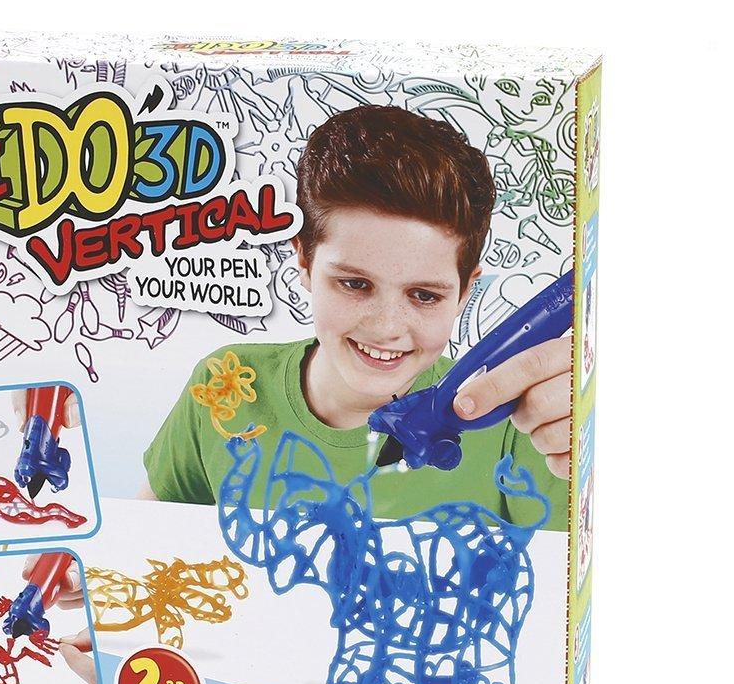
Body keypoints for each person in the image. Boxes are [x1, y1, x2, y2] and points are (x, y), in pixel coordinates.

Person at [143, 105, 571, 527]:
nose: (386, 327)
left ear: (464, 293)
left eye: (424, 295)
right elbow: (142, 536)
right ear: (304, 261)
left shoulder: (520, 422)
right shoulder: (224, 386)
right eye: (354, 284)